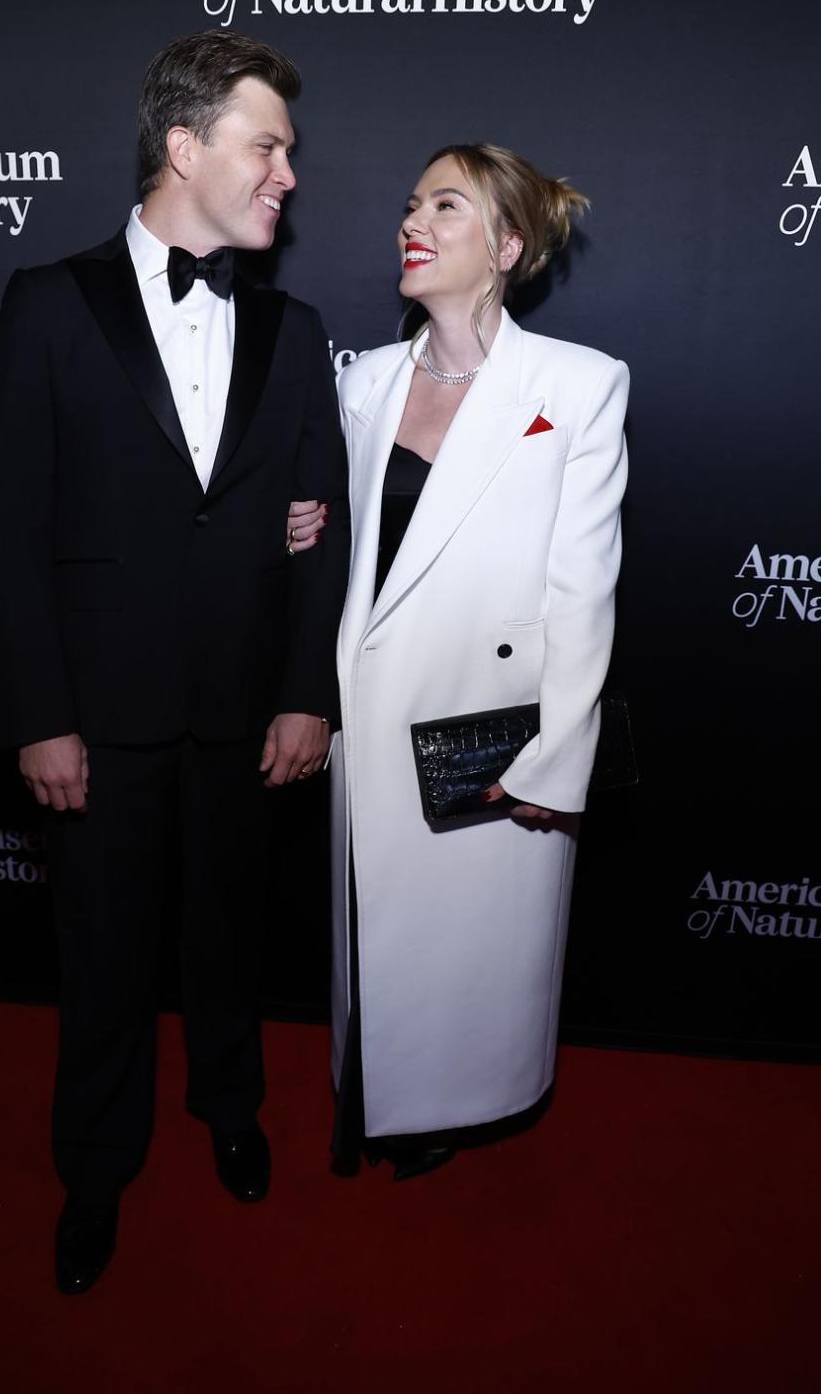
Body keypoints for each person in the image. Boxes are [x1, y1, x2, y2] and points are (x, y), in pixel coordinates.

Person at [0, 29, 349, 1293]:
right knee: (103, 951)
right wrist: (40, 714)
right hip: (98, 715)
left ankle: (230, 1107)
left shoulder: (295, 332)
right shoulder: (46, 304)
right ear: (184, 148)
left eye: (288, 151)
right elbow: (12, 532)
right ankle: (94, 1167)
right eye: (268, 146)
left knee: (230, 936)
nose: (288, 173)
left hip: (245, 714)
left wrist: (307, 691)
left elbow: (320, 532)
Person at [329, 144, 628, 1179]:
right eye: (411, 203)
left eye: (445, 206)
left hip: (489, 738)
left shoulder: (579, 385)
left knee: (470, 967)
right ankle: (376, 1098)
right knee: (379, 950)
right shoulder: (360, 381)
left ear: (505, 245)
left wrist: (556, 761)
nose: (413, 221)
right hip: (367, 727)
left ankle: (451, 1105)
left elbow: (581, 591)